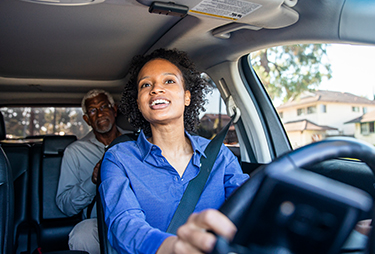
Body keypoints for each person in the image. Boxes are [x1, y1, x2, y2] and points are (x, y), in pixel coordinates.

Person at [99, 48, 250, 254]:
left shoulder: (219, 155)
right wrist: (172, 248)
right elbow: (124, 223)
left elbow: (249, 205)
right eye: (146, 85)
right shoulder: (118, 158)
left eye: (168, 81)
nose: (156, 89)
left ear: (187, 97)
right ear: (139, 103)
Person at [56, 89, 127, 254]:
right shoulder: (75, 152)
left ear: (114, 110)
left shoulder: (136, 141)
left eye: (104, 106)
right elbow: (65, 205)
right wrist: (92, 181)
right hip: (99, 222)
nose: (100, 113)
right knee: (82, 234)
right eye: (93, 111)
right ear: (87, 119)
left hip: (140, 216)